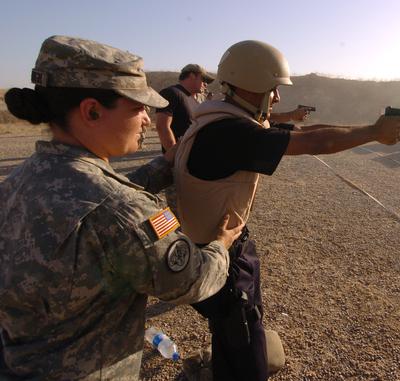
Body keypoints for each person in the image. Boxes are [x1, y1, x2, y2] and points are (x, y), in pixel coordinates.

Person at [0, 35, 244, 380]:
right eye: (137, 107)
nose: (147, 119)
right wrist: (220, 246)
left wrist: (164, 164)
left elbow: (100, 200)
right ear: (92, 111)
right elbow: (191, 281)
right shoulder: (122, 210)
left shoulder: (20, 181)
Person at [174, 40, 400, 381]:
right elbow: (315, 143)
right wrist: (374, 133)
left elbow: (301, 131)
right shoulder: (231, 132)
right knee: (246, 349)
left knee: (231, 334)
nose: (277, 98)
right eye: (272, 89)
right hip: (219, 258)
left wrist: (369, 128)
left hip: (220, 246)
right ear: (251, 84)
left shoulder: (223, 118)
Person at [155, 64, 215, 216]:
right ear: (192, 75)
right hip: (179, 164)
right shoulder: (171, 93)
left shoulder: (193, 99)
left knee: (194, 209)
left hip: (193, 164)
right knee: (179, 212)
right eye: (204, 79)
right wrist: (175, 158)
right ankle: (177, 239)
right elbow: (162, 126)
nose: (206, 84)